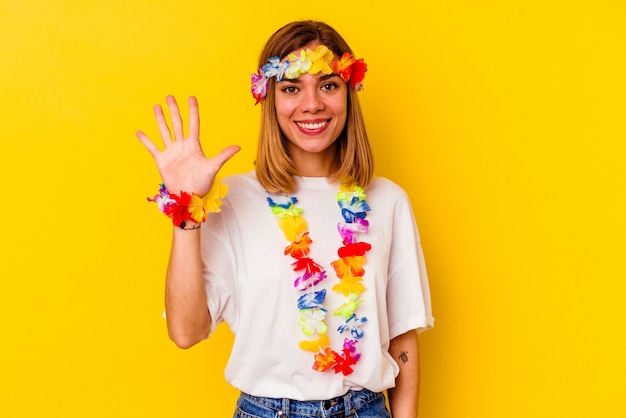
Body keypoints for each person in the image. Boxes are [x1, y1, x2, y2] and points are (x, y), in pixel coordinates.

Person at [136, 20, 433, 418]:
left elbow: (403, 337)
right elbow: (185, 332)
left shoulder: (388, 201)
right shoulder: (234, 199)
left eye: (328, 85)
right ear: (270, 99)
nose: (312, 104)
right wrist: (186, 208)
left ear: (348, 92)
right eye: (292, 87)